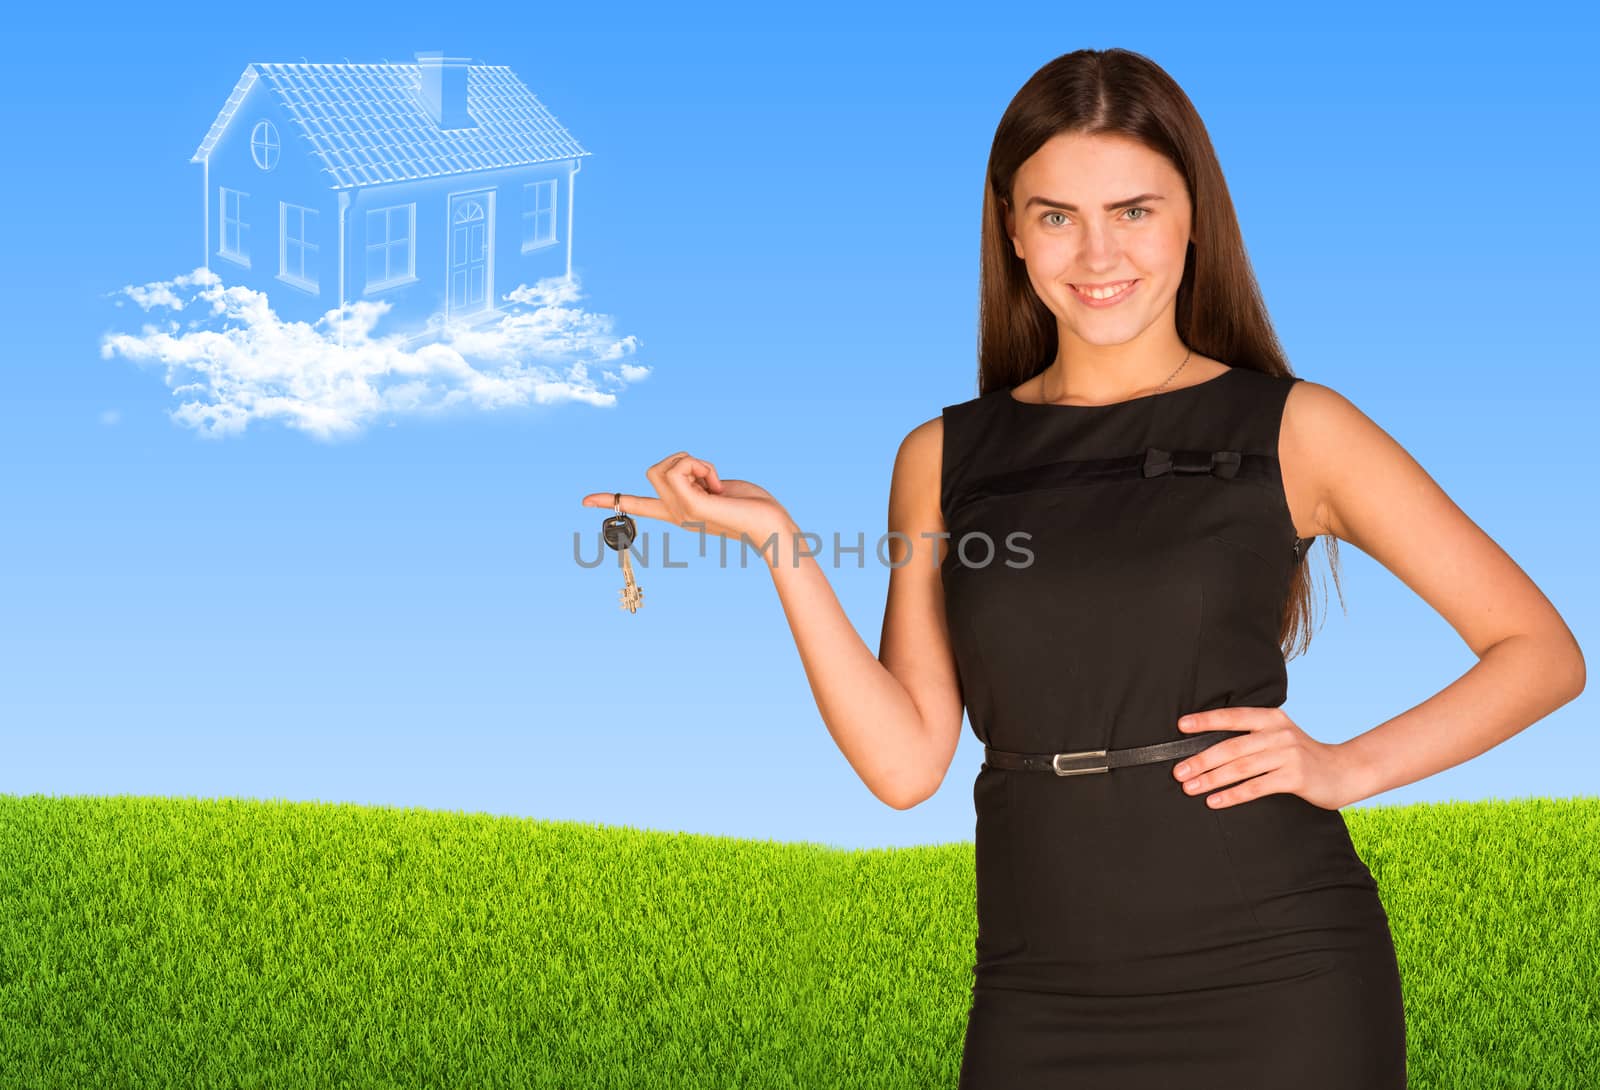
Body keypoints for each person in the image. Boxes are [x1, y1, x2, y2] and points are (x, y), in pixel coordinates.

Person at [582, 46, 1585, 1087]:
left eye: (1134, 210)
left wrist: (1349, 767)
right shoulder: (939, 458)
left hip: (1280, 975)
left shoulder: (1297, 428)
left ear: (1194, 216)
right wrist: (780, 547)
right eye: (1055, 214)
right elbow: (904, 763)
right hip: (1037, 987)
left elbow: (1541, 652)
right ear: (1010, 230)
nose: (1096, 252)